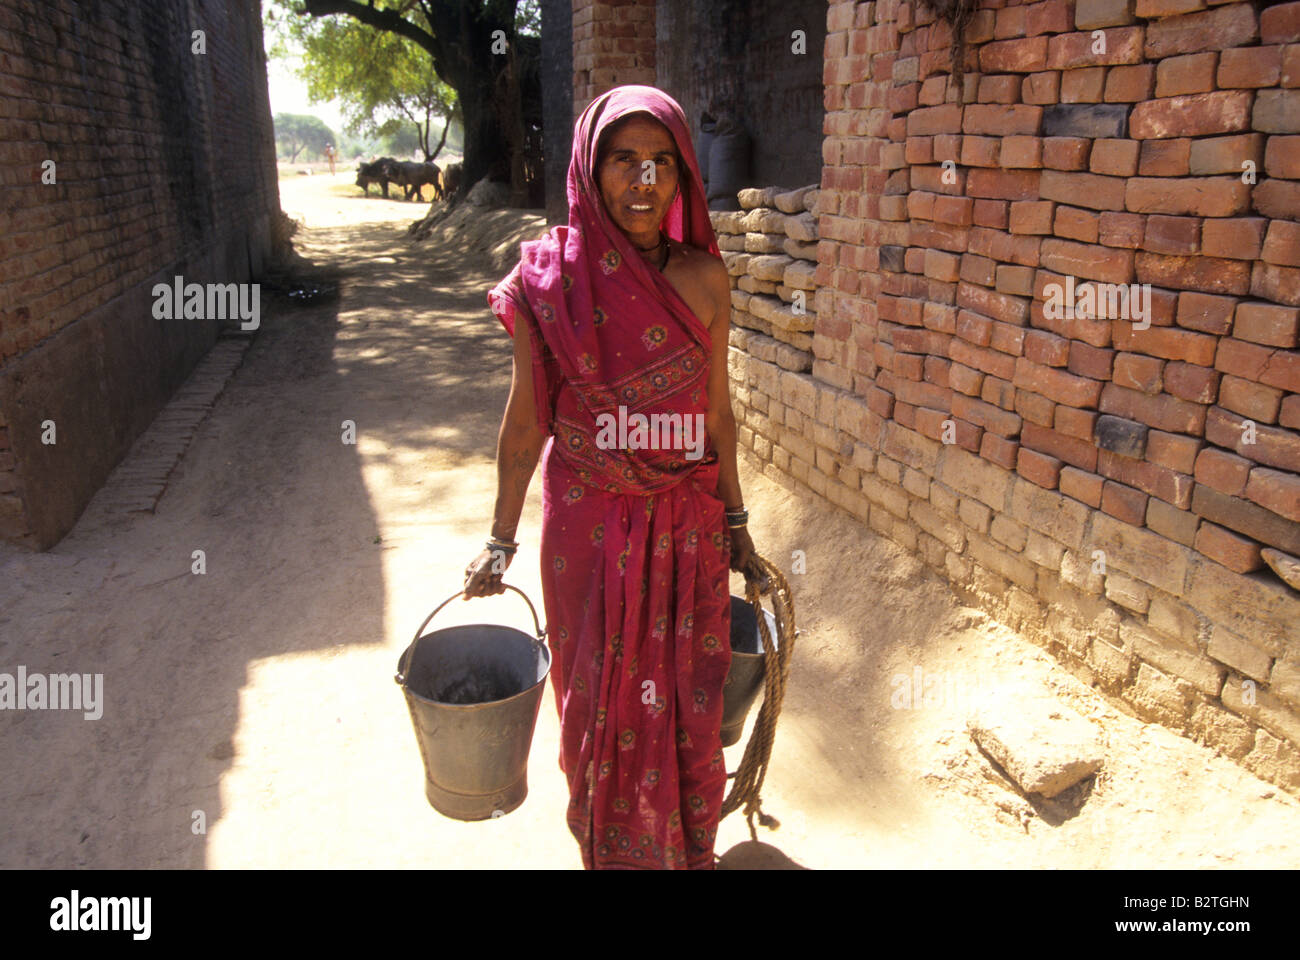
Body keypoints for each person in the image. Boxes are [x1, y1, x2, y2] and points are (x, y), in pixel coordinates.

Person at [464, 84, 766, 870]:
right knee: (596, 707)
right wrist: (499, 540)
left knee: (684, 706)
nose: (644, 181)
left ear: (683, 178)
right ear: (590, 171)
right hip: (587, 536)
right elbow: (527, 421)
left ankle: (682, 848)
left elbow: (717, 417)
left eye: (662, 162)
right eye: (624, 160)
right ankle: (610, 849)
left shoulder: (705, 279)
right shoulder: (548, 283)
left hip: (686, 529)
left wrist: (736, 525)